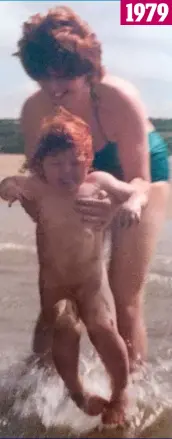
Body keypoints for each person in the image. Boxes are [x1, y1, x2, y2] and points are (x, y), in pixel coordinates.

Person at [14, 6, 169, 373]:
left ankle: (130, 393)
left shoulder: (118, 97)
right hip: (75, 174)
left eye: (63, 77)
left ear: (87, 68)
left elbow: (140, 180)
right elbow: (40, 187)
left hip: (138, 180)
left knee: (124, 294)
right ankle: (33, 385)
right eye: (42, 78)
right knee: (64, 288)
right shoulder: (35, 111)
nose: (53, 88)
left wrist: (115, 209)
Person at [0, 109, 146, 423]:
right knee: (64, 331)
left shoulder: (98, 182)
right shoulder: (36, 187)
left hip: (92, 282)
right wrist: (7, 188)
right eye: (56, 164)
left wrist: (132, 203)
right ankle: (77, 392)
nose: (67, 171)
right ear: (40, 165)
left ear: (88, 159)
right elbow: (8, 182)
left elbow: (135, 191)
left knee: (104, 329)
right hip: (55, 284)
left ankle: (120, 393)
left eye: (75, 161)